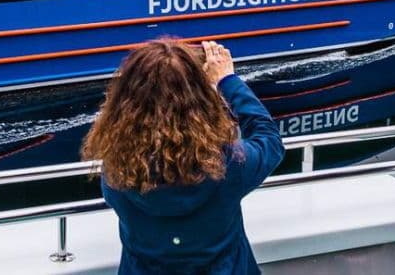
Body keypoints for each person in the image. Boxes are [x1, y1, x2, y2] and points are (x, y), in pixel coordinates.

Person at [83, 39, 284, 274]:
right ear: (199, 101)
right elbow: (269, 139)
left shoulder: (116, 169)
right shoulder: (229, 165)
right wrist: (226, 81)